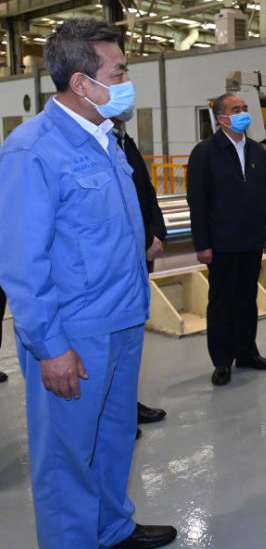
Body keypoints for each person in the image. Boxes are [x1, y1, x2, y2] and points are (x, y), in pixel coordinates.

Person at [0, 17, 176, 549]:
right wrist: (49, 346)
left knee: (114, 435)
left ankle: (110, 527)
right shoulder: (33, 151)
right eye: (118, 72)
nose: (126, 81)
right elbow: (22, 263)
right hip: (73, 332)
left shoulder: (107, 139)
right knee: (66, 453)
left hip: (122, 319)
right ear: (82, 82)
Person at [186, 93, 266, 387]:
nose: (243, 113)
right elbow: (197, 201)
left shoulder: (257, 151)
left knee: (247, 300)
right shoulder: (204, 153)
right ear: (221, 118)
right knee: (222, 302)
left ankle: (247, 353)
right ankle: (222, 361)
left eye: (245, 108)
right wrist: (202, 244)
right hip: (221, 243)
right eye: (236, 109)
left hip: (252, 240)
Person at [112, 117, 168, 437]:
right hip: (117, 261)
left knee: (131, 341)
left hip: (140, 257)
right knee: (113, 344)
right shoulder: (95, 145)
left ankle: (127, 407)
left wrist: (157, 233)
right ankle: (116, 417)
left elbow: (147, 192)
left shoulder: (126, 142)